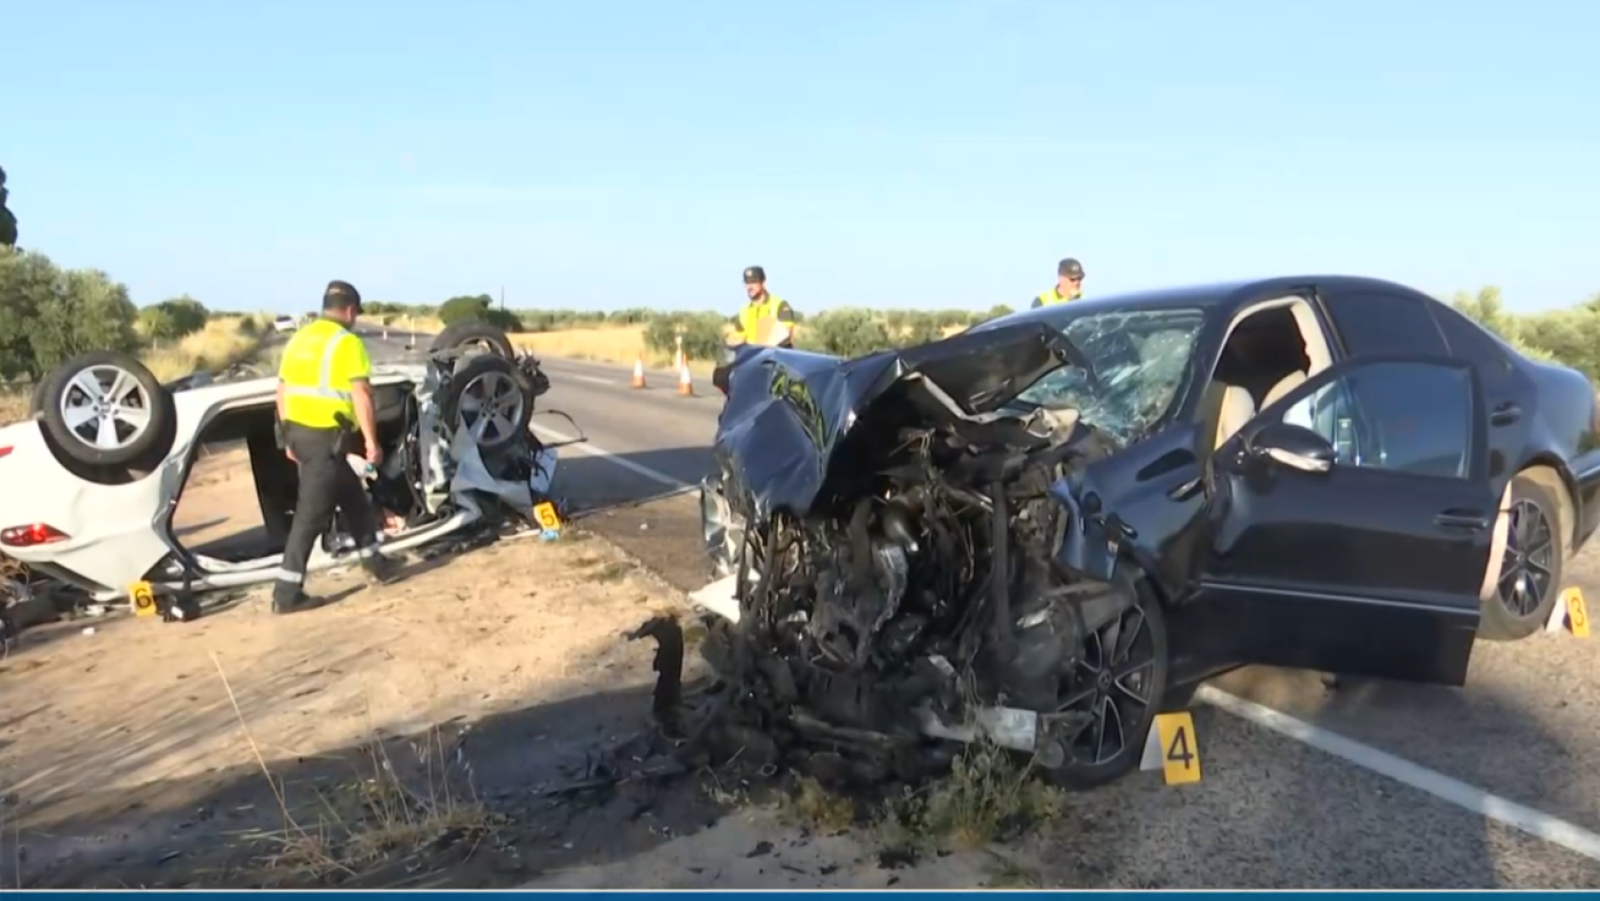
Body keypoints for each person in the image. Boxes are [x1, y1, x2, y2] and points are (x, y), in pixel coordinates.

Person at [271, 279, 397, 614]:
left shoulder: (299, 338)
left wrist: (286, 438)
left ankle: (376, 564)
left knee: (354, 500)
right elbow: (362, 394)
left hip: (301, 434)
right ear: (351, 310)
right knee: (311, 515)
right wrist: (371, 442)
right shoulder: (347, 342)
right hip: (324, 437)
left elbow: (281, 392)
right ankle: (286, 592)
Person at [730, 266, 797, 347]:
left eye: (753, 282)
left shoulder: (780, 305)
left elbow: (786, 335)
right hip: (753, 357)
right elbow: (738, 340)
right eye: (747, 283)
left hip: (775, 357)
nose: (749, 287)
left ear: (763, 283)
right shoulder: (743, 311)